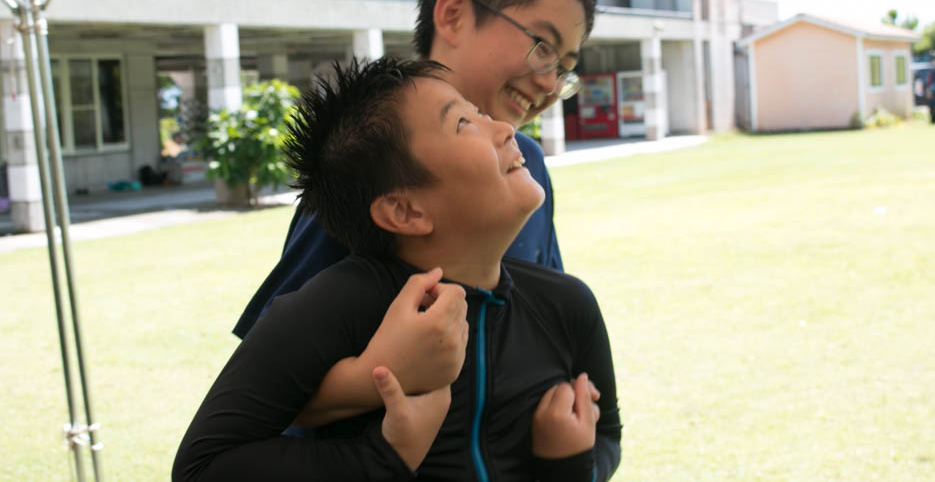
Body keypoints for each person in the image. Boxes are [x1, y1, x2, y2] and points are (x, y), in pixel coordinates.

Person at [173, 58, 621, 481]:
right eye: (464, 124)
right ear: (405, 211)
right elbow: (202, 466)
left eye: (480, 114)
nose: (505, 130)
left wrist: (570, 461)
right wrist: (381, 458)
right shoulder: (337, 306)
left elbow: (608, 437)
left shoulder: (566, 304)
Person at [232, 0, 597, 339]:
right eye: (543, 47)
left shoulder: (526, 166)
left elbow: (548, 313)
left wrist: (566, 390)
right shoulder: (374, 158)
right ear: (454, 15)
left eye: (564, 67)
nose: (551, 84)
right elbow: (270, 363)